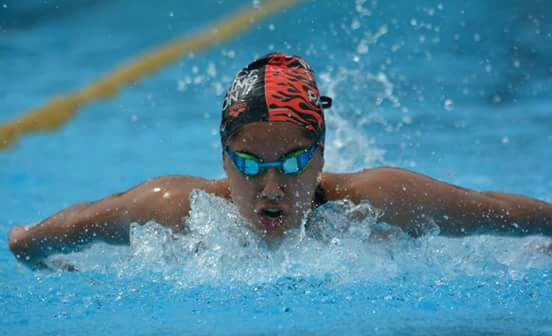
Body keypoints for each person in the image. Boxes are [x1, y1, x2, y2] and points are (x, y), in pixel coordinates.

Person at [7, 52, 552, 268]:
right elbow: (71, 226)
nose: (271, 188)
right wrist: (30, 247)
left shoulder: (378, 201)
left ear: (321, 158)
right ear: (222, 160)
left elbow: (489, 211)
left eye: (293, 164)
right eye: (248, 164)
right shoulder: (177, 209)